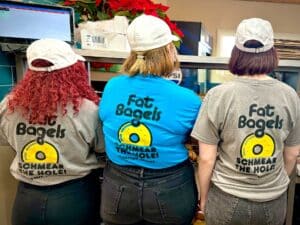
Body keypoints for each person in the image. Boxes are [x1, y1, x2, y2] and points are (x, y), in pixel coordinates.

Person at [191, 18, 300, 225]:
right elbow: (293, 153)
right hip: (273, 202)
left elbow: (206, 159)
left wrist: (203, 199)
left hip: (226, 199)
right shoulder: (291, 96)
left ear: (236, 52)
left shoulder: (218, 95)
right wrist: (274, 185)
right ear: (272, 52)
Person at [99, 14, 202, 225]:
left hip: (118, 187)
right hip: (170, 189)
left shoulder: (112, 87)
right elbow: (198, 141)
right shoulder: (187, 99)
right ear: (168, 51)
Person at [0, 38, 104, 225]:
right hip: (74, 200)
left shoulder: (9, 105)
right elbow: (102, 148)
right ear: (73, 70)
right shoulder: (88, 109)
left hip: (26, 202)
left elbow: (5, 139)